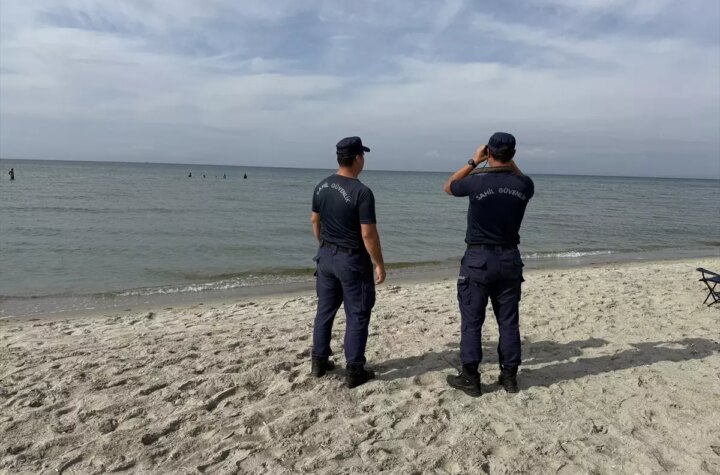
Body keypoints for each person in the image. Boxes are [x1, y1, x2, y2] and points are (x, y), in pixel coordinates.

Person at [443, 132, 534, 397]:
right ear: (513, 155)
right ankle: (509, 377)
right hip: (509, 259)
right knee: (508, 321)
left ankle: (471, 377)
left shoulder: (476, 181)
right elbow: (518, 177)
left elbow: (449, 186)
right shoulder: (524, 185)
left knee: (472, 321)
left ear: (489, 153)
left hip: (478, 259)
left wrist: (474, 161)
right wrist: (507, 162)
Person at [310, 136, 386, 388]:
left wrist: (323, 245)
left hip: (326, 256)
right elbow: (368, 234)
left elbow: (314, 220)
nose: (363, 160)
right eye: (362, 156)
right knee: (357, 313)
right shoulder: (362, 192)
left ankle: (319, 361)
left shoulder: (321, 186)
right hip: (351, 259)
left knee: (325, 309)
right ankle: (354, 369)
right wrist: (379, 263)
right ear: (356, 158)